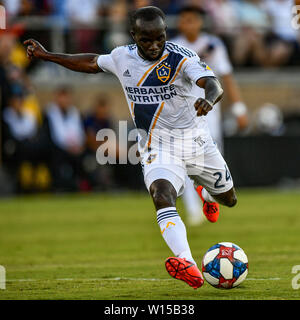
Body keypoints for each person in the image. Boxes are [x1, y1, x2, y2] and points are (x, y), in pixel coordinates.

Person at [24, 6, 237, 290]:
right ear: (133, 36)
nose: (154, 45)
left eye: (159, 38)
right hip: (156, 146)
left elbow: (213, 83)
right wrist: (48, 55)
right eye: (146, 40)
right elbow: (89, 62)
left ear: (165, 33)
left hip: (196, 143)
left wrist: (209, 99)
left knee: (229, 199)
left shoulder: (181, 58)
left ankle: (205, 191)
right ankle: (186, 262)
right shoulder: (121, 56)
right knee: (161, 194)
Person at [172, 6, 248, 225]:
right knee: (183, 160)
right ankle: (193, 210)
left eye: (192, 20)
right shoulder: (174, 47)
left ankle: (207, 196)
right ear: (180, 23)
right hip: (182, 112)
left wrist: (239, 108)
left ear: (200, 22)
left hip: (209, 110)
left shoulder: (212, 45)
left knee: (213, 159)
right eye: (184, 20)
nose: (188, 24)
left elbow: (226, 77)